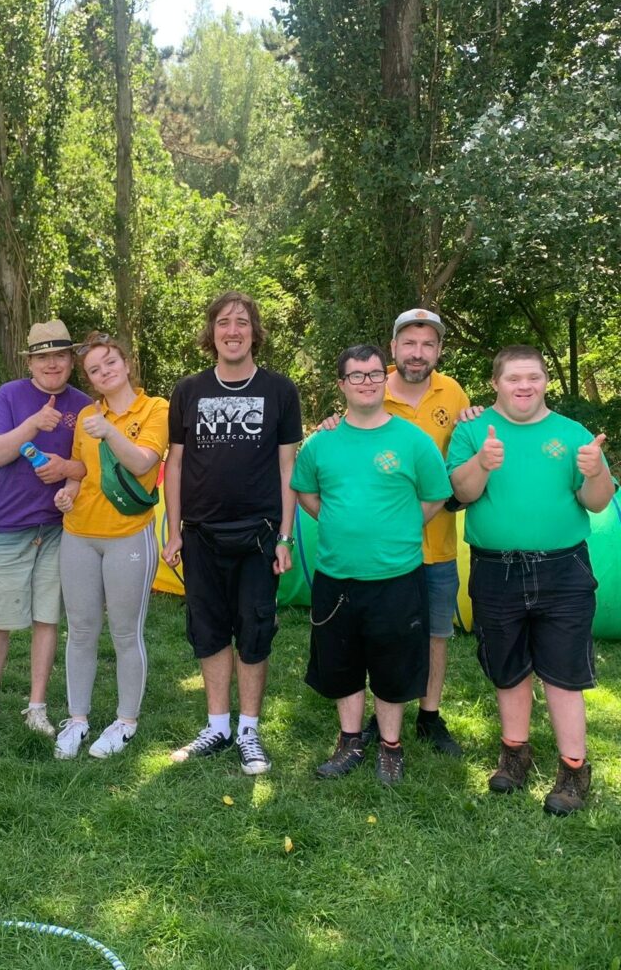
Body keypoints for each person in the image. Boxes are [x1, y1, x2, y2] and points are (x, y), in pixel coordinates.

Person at [447, 345, 614, 815]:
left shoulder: (572, 433)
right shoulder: (472, 431)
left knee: (564, 671)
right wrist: (482, 463)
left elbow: (598, 501)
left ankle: (574, 768)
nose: (525, 386)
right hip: (495, 568)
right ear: (495, 383)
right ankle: (514, 753)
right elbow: (461, 493)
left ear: (545, 381)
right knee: (508, 666)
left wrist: (595, 473)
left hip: (564, 568)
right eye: (514, 378)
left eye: (533, 377)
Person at [292, 344, 452, 784]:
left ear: (386, 378)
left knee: (392, 665)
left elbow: (435, 496)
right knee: (341, 662)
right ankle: (349, 741)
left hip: (396, 576)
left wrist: (400, 527)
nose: (367, 382)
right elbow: (306, 493)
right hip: (336, 575)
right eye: (356, 375)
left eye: (375, 374)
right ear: (342, 384)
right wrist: (338, 521)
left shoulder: (413, 441)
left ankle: (390, 746)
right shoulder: (321, 442)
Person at [323, 309, 476, 755]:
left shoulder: (453, 392)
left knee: (435, 633)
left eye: (428, 344)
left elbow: (459, 457)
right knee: (379, 635)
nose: (418, 353)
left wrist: (476, 420)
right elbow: (346, 444)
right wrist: (330, 424)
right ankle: (379, 717)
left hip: (436, 542)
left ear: (439, 350)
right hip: (380, 553)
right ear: (393, 347)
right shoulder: (372, 385)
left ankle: (429, 716)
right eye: (409, 343)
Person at [163, 291, 302, 776]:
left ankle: (248, 730)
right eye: (224, 322)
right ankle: (217, 725)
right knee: (208, 629)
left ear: (254, 332)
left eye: (242, 321)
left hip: (259, 534)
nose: (233, 330)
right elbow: (174, 464)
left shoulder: (280, 390)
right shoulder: (188, 390)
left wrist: (285, 537)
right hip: (200, 533)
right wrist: (174, 531)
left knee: (255, 630)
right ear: (212, 332)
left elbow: (288, 468)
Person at [0, 320, 89, 738]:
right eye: (43, 357)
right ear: (30, 362)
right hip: (10, 525)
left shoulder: (85, 405)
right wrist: (34, 424)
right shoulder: (10, 395)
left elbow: (90, 465)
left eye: (60, 355)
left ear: (71, 361)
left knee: (47, 618)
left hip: (59, 529)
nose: (52, 364)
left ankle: (37, 707)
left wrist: (67, 476)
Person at [51, 332, 168, 759]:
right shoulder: (87, 415)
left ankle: (125, 722)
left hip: (127, 536)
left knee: (124, 632)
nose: (104, 373)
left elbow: (142, 463)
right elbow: (82, 470)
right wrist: (67, 492)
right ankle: (77, 719)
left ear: (126, 363)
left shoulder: (156, 408)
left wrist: (110, 432)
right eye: (94, 370)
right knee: (80, 630)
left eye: (110, 363)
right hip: (78, 534)